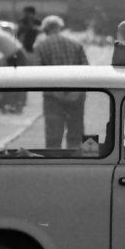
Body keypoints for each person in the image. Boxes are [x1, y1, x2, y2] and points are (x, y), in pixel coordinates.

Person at [35, 15, 90, 149]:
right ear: (60, 28)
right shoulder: (75, 43)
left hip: (53, 95)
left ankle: (54, 163)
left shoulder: (41, 46)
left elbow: (37, 73)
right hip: (76, 94)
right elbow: (86, 69)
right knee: (76, 130)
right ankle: (79, 162)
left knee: (53, 134)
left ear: (45, 30)